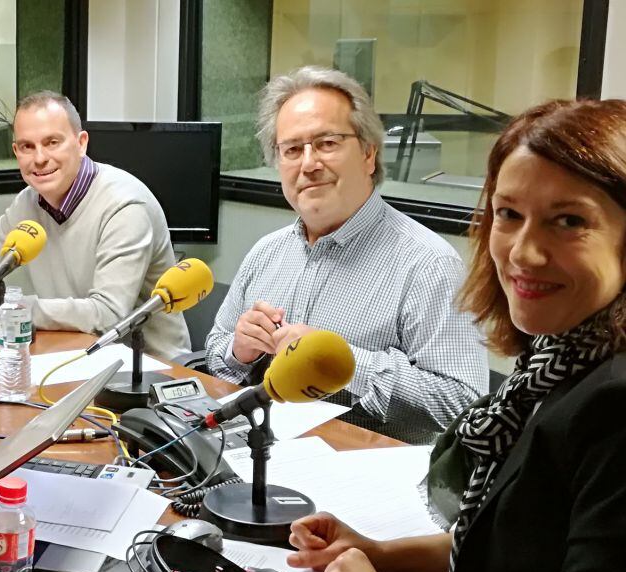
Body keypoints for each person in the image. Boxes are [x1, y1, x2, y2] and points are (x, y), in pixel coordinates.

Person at [286, 99, 626, 572]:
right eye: (508, 214)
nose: (524, 253)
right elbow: (510, 541)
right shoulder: (560, 355)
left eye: (569, 221)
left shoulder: (613, 406)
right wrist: (378, 552)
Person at [205, 66, 486, 443]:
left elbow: (462, 406)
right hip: (258, 451)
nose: (308, 164)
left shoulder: (428, 265)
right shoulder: (266, 252)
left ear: (369, 154)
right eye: (292, 150)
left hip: (362, 476)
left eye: (327, 144)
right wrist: (240, 351)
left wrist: (343, 364)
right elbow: (216, 352)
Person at [0, 91, 190, 359]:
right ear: (16, 151)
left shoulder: (124, 207)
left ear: (81, 143)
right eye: (27, 147)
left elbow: (107, 315)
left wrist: (3, 307)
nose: (39, 158)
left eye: (52, 142)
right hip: (72, 354)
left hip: (148, 376)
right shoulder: (29, 201)